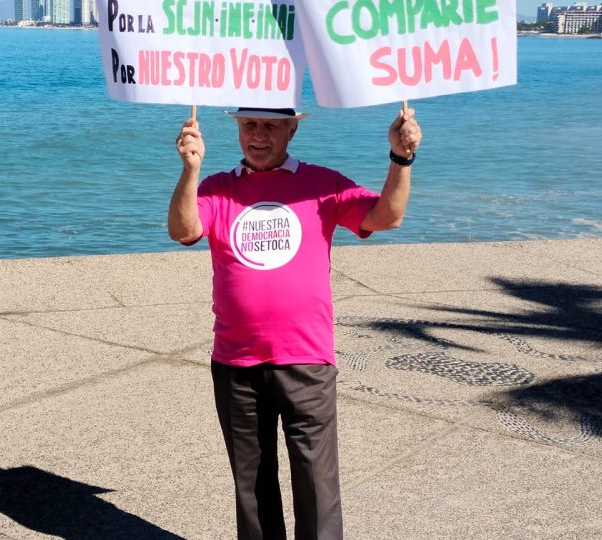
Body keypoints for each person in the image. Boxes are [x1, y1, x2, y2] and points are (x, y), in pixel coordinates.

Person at [167, 106, 421, 540]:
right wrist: (190, 170)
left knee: (317, 488)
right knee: (252, 487)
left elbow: (385, 216)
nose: (258, 135)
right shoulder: (218, 187)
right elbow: (184, 229)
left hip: (306, 361)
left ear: (291, 130)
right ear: (238, 130)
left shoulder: (321, 184)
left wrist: (400, 159)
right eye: (249, 125)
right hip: (235, 363)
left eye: (270, 126)